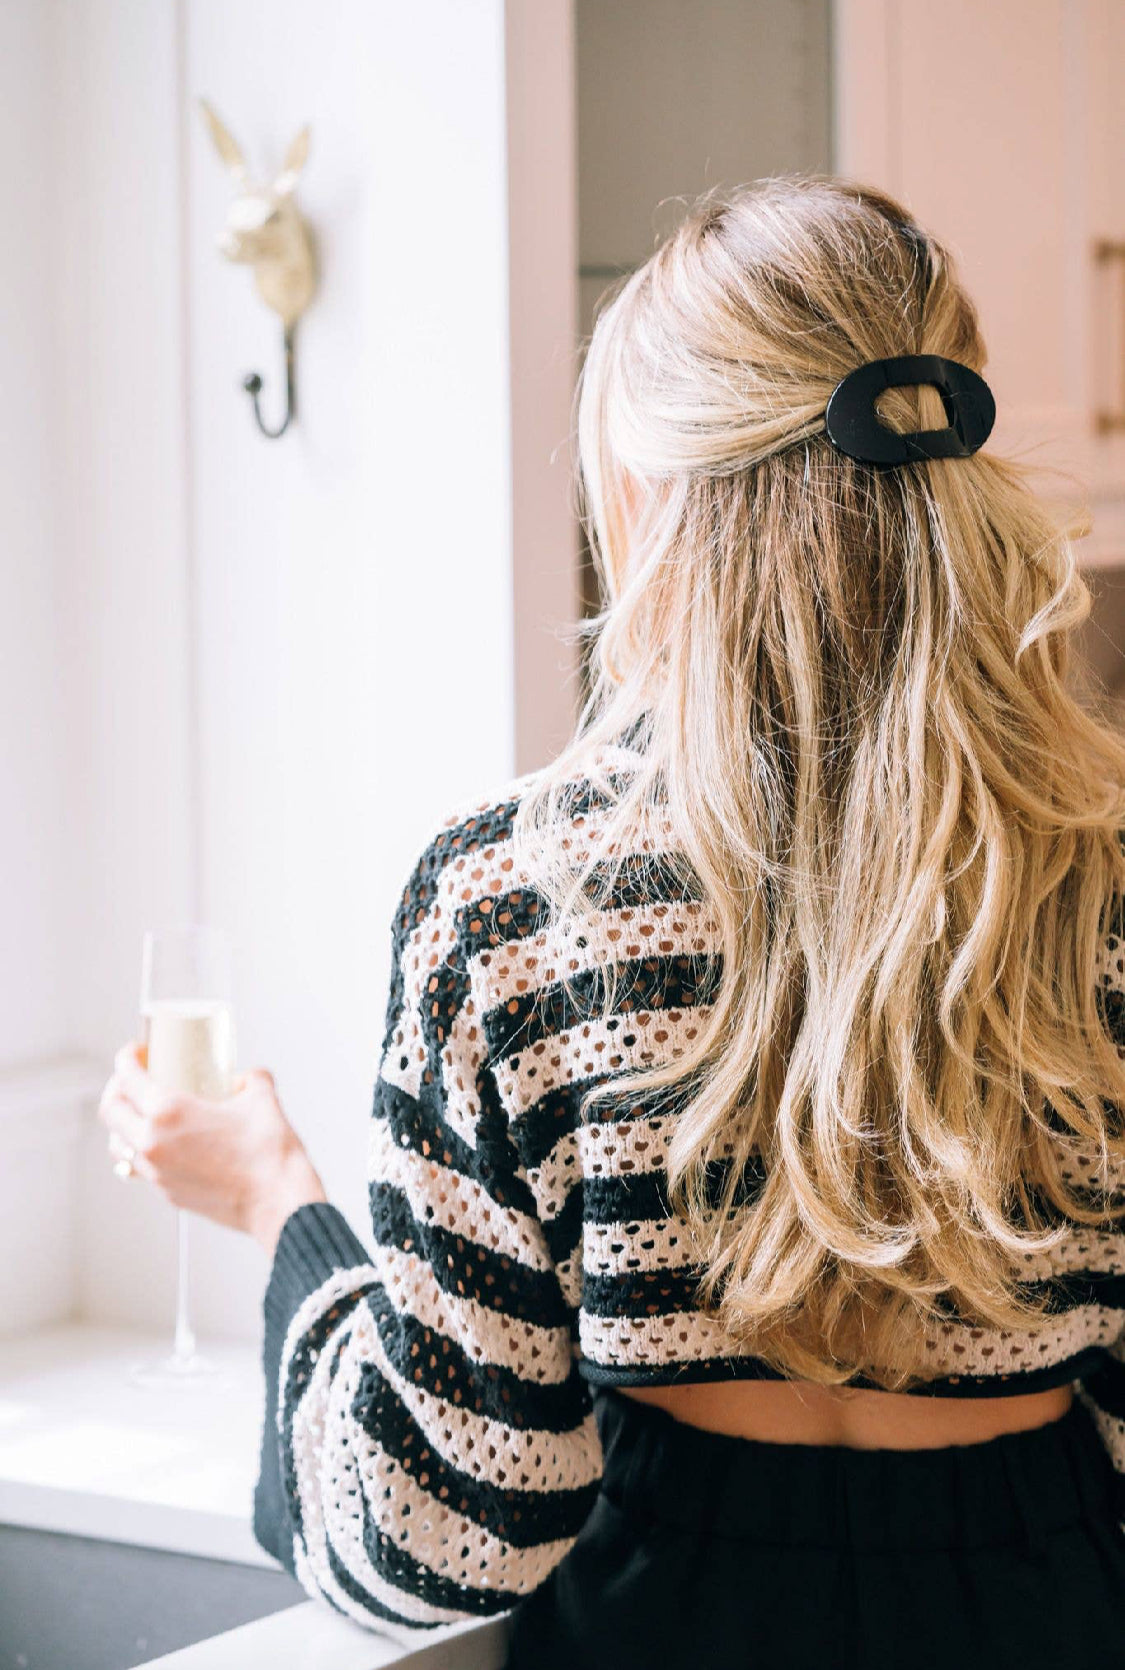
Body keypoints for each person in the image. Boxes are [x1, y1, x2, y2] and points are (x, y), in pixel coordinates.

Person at [98, 176, 1125, 1668]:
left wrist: (280, 1206)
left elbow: (443, 1531)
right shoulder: (1097, 876)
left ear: (648, 498)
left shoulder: (511, 899)